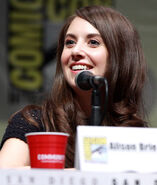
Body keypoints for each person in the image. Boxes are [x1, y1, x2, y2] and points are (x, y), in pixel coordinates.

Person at [0, 5, 148, 168]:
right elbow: (5, 173)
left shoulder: (138, 135)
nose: (75, 51)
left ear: (121, 57)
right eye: (69, 42)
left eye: (93, 42)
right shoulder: (33, 123)